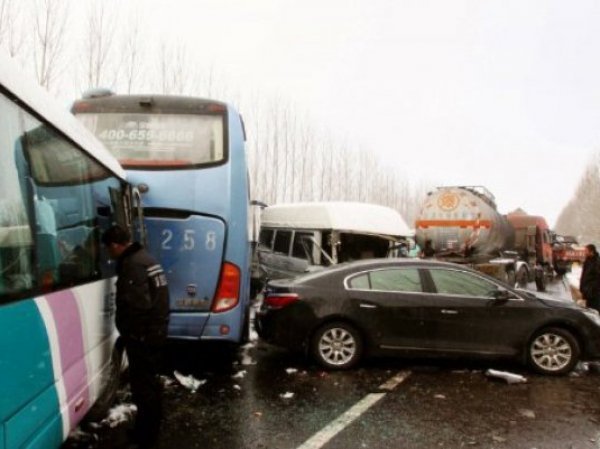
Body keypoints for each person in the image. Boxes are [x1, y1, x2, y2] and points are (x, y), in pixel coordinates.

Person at [101, 225, 169, 449]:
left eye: (109, 249)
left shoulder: (133, 265)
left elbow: (139, 305)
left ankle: (146, 437)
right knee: (149, 384)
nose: (109, 254)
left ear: (115, 245)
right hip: (154, 333)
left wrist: (133, 334)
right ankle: (148, 430)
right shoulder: (146, 258)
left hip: (143, 336)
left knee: (144, 387)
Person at [580, 243, 600, 313]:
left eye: (586, 251)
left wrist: (593, 288)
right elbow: (584, 275)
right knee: (589, 311)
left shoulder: (597, 262)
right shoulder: (587, 261)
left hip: (594, 293)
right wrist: (582, 288)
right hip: (587, 291)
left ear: (591, 251)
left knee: (595, 310)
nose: (584, 252)